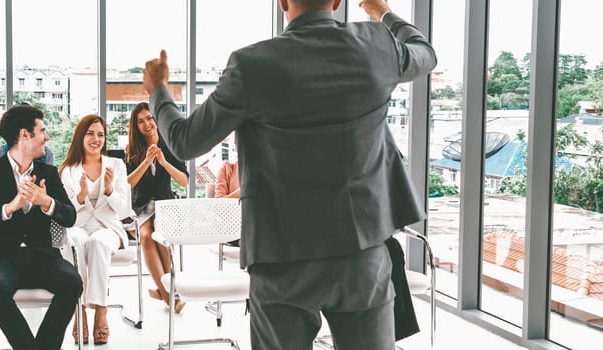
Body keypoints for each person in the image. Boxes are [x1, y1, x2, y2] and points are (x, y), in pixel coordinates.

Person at [142, 0, 436, 349]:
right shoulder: (376, 44)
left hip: (281, 256)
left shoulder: (251, 64)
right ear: (338, 2)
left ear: (282, 2)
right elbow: (424, 52)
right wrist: (381, 11)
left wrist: (159, 90)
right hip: (362, 252)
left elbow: (185, 141)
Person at [0, 104, 81, 350]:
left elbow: (70, 216)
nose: (47, 137)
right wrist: (9, 207)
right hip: (0, 259)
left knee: (73, 283)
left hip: (42, 257)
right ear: (25, 135)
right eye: (42, 131)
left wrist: (46, 202)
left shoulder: (49, 172)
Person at [59, 114, 130, 345]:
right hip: (78, 225)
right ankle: (78, 310)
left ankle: (100, 309)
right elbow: (65, 211)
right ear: (81, 136)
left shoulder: (117, 165)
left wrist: (109, 190)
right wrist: (80, 195)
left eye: (100, 134)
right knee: (76, 242)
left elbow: (124, 209)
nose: (96, 138)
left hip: (108, 227)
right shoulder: (68, 170)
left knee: (98, 242)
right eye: (90, 133)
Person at [124, 102, 189, 313]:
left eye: (150, 119)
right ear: (136, 126)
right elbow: (127, 185)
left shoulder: (170, 145)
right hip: (141, 207)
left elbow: (184, 181)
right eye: (140, 121)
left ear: (156, 120)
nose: (147, 124)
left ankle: (165, 292)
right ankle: (170, 295)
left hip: (164, 205)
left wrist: (163, 161)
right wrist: (145, 161)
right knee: (146, 236)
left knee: (160, 235)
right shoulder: (132, 150)